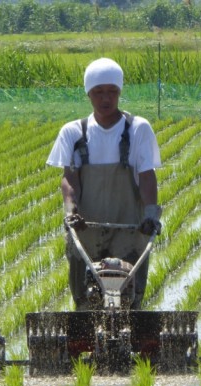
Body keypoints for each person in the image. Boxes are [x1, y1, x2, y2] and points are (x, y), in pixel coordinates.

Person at [46, 57, 162, 310]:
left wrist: (151, 213)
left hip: (130, 228)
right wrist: (71, 211)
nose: (105, 98)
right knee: (84, 298)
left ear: (119, 92)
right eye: (98, 92)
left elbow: (146, 175)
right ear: (89, 94)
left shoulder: (137, 129)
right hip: (86, 230)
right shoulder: (74, 132)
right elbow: (69, 177)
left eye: (112, 92)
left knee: (130, 296)